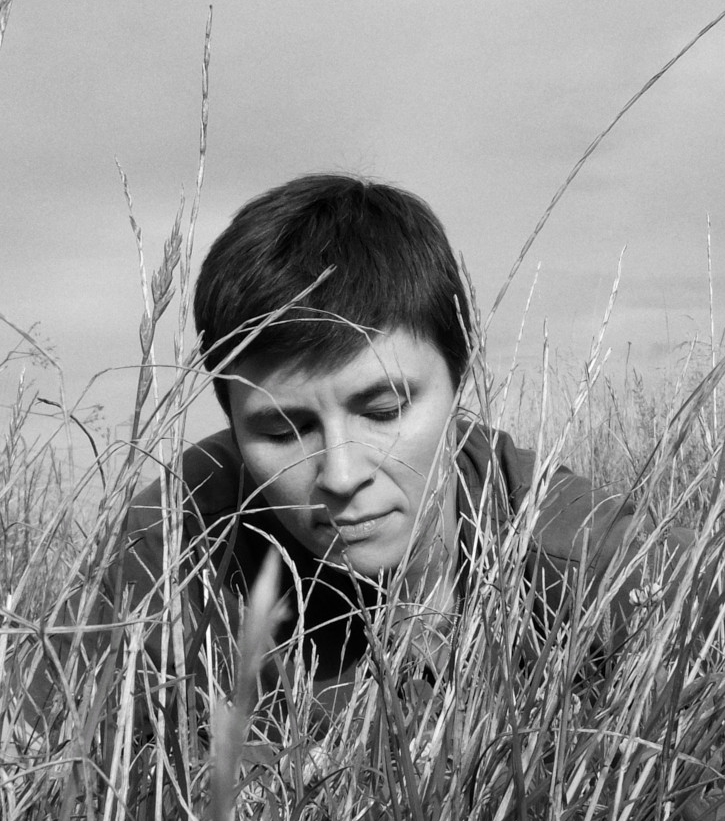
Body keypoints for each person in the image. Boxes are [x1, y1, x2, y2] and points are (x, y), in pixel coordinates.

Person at [38, 173, 644, 725]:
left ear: (462, 382)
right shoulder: (170, 549)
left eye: (383, 411)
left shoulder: (596, 560)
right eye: (282, 431)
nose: (341, 473)